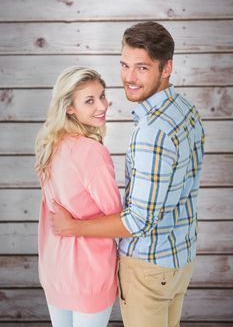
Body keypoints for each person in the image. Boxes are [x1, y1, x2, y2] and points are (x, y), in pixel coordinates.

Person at [50, 21, 205, 327]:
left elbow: (138, 221)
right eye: (124, 65)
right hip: (180, 258)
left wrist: (74, 227)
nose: (129, 78)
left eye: (142, 68)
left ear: (167, 68)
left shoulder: (152, 132)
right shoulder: (185, 109)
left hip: (148, 267)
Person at [34, 66, 122, 327]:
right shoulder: (91, 152)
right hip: (89, 275)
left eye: (102, 96)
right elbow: (117, 216)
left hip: (55, 271)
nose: (102, 105)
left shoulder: (50, 147)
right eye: (89, 100)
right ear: (69, 108)